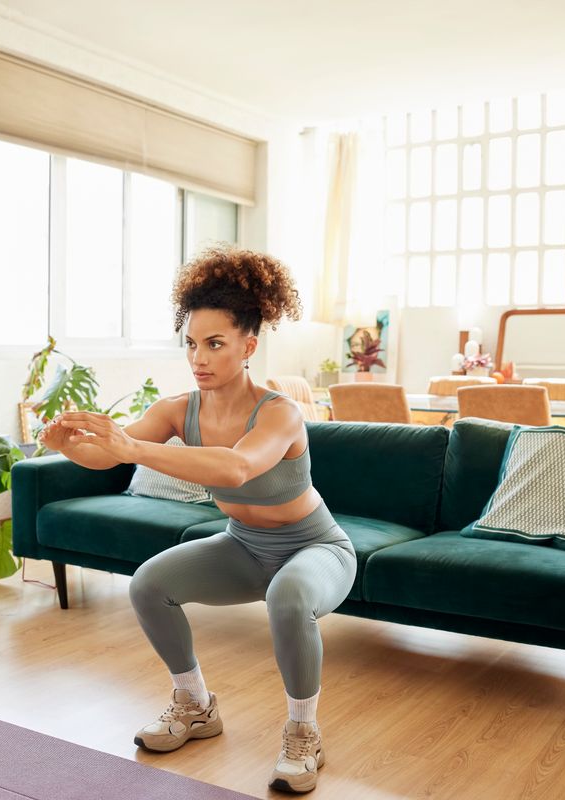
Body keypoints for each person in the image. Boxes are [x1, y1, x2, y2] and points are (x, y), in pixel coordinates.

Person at [39, 246, 357, 794]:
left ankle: (303, 733)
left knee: (289, 598)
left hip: (315, 549)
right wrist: (66, 445)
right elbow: (111, 452)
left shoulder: (279, 412)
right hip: (243, 546)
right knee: (149, 585)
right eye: (191, 343)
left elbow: (235, 467)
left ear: (248, 346)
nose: (198, 357)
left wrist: (130, 450)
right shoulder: (177, 409)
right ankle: (195, 704)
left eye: (214, 344)